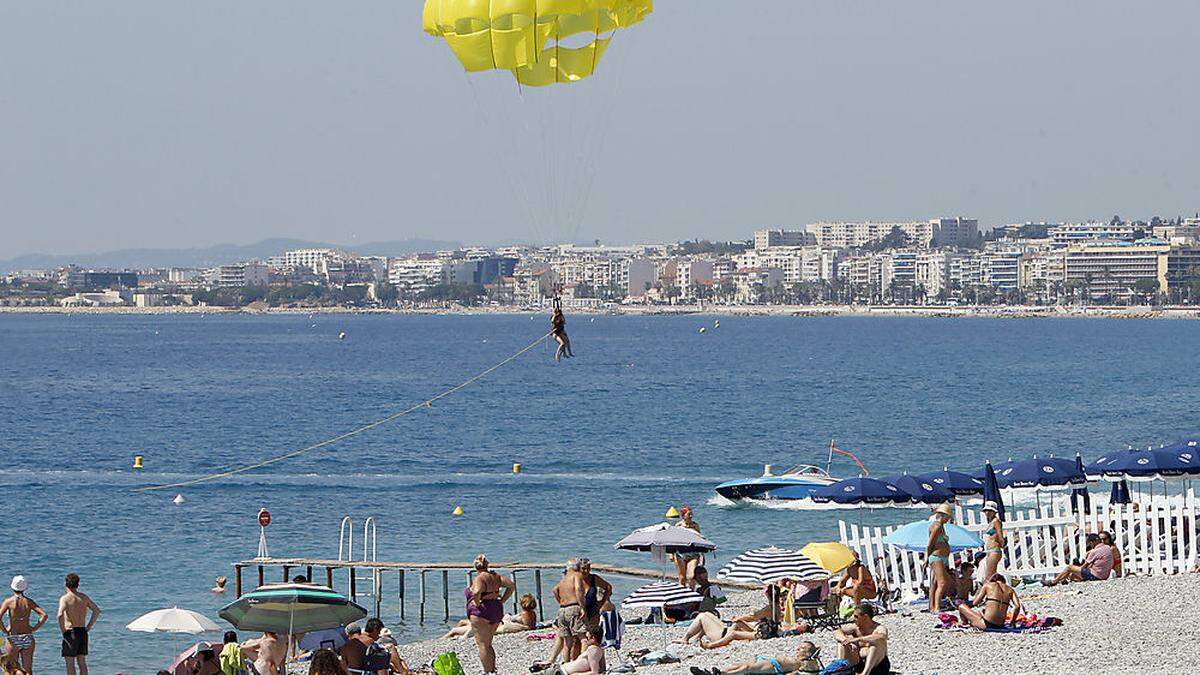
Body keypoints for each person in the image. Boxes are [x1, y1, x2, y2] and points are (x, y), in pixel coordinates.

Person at [464, 555, 515, 675]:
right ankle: (492, 670)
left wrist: (476, 603)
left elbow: (476, 592)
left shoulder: (479, 578)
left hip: (482, 612)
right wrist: (502, 600)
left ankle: (488, 672)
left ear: (476, 567)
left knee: (482, 644)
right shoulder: (496, 576)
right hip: (496, 609)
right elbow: (511, 585)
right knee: (488, 643)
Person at [535, 561, 588, 671]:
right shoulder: (576, 575)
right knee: (583, 638)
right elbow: (578, 589)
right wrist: (582, 606)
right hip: (574, 607)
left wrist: (561, 601)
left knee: (567, 642)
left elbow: (555, 590)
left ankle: (565, 667)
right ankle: (582, 663)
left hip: (562, 609)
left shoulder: (564, 578)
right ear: (577, 567)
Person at [2, 576, 48, 675]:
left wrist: (4, 630)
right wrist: (35, 628)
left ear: (12, 587)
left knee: (11, 670)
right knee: (28, 670)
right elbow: (44, 615)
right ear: (24, 588)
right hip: (27, 636)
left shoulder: (8, 602)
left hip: (13, 637)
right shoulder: (28, 601)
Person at [689, 640, 820, 675]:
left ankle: (719, 674)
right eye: (799, 647)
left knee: (746, 668)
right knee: (737, 666)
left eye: (802, 648)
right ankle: (710, 672)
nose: (798, 649)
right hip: (766, 659)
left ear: (808, 654)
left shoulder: (805, 662)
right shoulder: (801, 659)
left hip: (774, 666)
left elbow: (810, 670)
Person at [441, 593, 538, 639]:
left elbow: (527, 627)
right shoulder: (531, 613)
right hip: (496, 625)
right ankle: (447, 638)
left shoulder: (526, 614)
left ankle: (441, 640)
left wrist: (507, 620)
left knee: (456, 628)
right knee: (462, 623)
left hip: (494, 626)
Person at [56, 573, 99, 675]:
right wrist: (88, 626)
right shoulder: (83, 597)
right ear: (78, 584)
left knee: (70, 663)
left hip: (70, 632)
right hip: (82, 631)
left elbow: (59, 615)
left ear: (66, 584)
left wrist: (63, 630)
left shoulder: (65, 598)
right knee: (82, 662)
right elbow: (96, 610)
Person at [834, 603, 889, 675]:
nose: (854, 619)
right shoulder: (855, 628)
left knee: (875, 644)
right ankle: (840, 668)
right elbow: (837, 631)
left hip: (877, 666)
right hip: (858, 663)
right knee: (841, 643)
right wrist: (845, 640)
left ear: (865, 617)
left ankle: (865, 673)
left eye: (856, 616)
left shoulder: (879, 628)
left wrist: (858, 639)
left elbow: (882, 636)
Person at [957, 573, 1022, 631]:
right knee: (982, 612)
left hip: (987, 624)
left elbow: (975, 602)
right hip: (1000, 624)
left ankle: (965, 624)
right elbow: (1017, 606)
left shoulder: (987, 585)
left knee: (961, 606)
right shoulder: (1010, 589)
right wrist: (1012, 622)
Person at [1048, 533, 1114, 585]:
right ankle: (1063, 580)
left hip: (1096, 576)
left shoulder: (1094, 551)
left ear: (1091, 542)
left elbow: (1083, 567)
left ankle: (1054, 581)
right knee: (1074, 574)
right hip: (1105, 576)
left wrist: (1075, 569)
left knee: (1070, 568)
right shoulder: (1108, 547)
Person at [925, 503, 954, 613]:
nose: (948, 520)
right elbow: (930, 544)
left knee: (936, 583)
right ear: (943, 516)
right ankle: (936, 607)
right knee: (942, 583)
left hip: (941, 557)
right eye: (947, 517)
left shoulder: (940, 526)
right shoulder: (936, 526)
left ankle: (932, 606)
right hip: (937, 557)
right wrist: (926, 558)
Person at [673, 507, 704, 589]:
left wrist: (702, 555)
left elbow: (700, 540)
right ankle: (682, 596)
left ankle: (691, 594)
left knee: (691, 576)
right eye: (689, 514)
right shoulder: (678, 526)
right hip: (680, 554)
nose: (691, 516)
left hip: (693, 554)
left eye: (691, 514)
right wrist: (671, 554)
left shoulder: (695, 526)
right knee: (682, 577)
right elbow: (673, 541)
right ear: (683, 516)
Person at [578, 560, 613, 627]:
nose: (586, 571)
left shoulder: (594, 578)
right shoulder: (575, 580)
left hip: (593, 611)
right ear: (578, 569)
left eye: (588, 569)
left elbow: (608, 587)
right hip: (579, 612)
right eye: (583, 569)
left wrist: (602, 602)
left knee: (593, 633)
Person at [980, 502, 1005, 581]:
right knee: (990, 575)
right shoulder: (992, 522)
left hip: (994, 550)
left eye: (989, 511)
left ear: (994, 512)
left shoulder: (996, 521)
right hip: (990, 550)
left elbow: (1000, 536)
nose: (987, 513)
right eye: (986, 511)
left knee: (989, 576)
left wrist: (1001, 545)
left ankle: (993, 592)